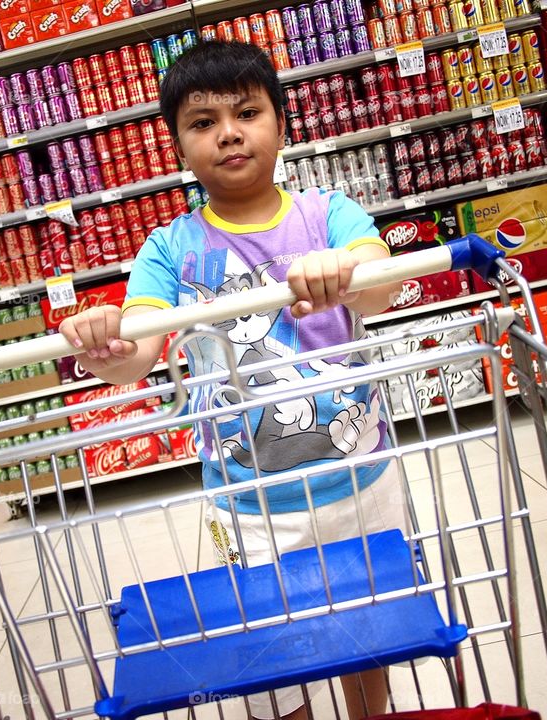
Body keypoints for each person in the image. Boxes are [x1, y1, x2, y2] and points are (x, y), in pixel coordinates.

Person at [59, 41, 406, 720]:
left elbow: (381, 285)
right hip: (250, 503)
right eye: (202, 122)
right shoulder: (169, 249)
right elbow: (140, 349)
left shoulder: (326, 214)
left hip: (362, 478)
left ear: (282, 122)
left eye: (247, 112)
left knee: (374, 631)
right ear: (178, 147)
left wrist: (346, 269)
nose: (228, 133)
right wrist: (104, 341)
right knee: (273, 661)